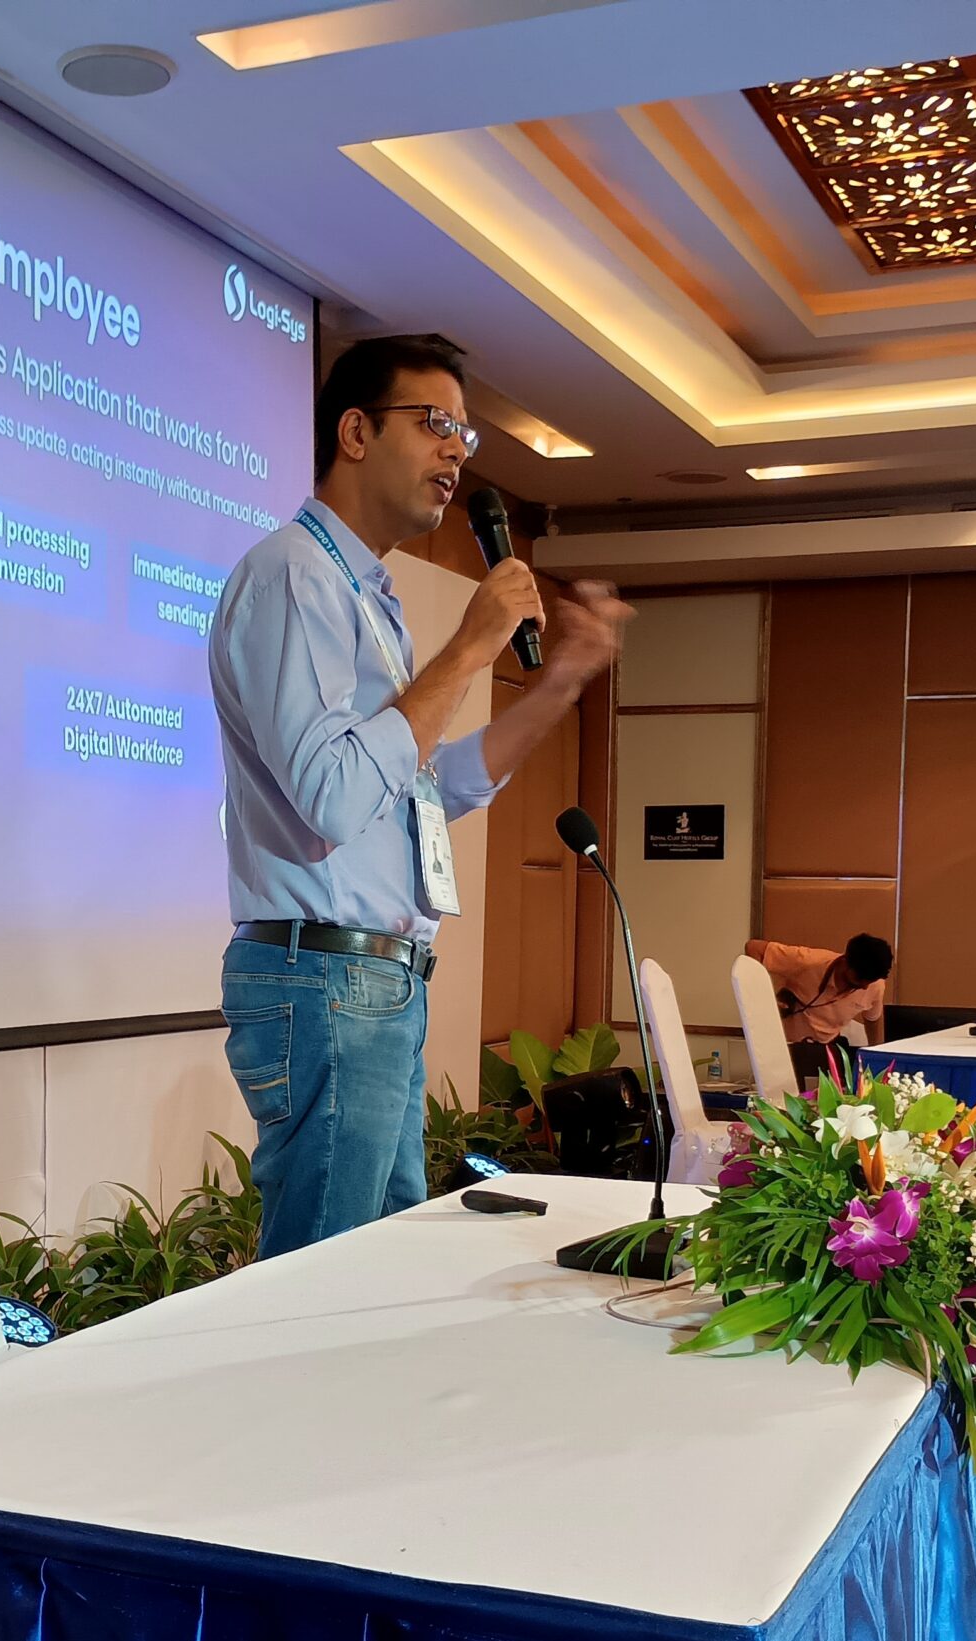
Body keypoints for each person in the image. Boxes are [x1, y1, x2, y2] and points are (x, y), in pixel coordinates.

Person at [210, 334, 628, 1259]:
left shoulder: (366, 595)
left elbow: (426, 794)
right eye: (435, 422)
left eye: (465, 435)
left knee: (374, 1263)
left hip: (373, 980)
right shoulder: (293, 575)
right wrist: (471, 647)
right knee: (327, 1274)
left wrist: (556, 684)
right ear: (356, 432)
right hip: (326, 976)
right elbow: (331, 795)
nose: (456, 451)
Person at [745, 933, 893, 1048]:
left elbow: (873, 1019)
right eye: (860, 978)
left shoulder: (875, 985)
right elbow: (753, 948)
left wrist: (878, 1053)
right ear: (846, 961)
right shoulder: (809, 961)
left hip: (825, 1049)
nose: (865, 987)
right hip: (784, 1045)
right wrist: (765, 997)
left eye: (870, 981)